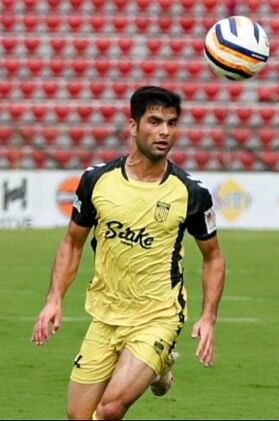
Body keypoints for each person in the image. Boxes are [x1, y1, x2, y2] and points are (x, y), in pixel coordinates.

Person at [31, 86, 226, 420]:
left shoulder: (190, 192)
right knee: (79, 416)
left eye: (171, 123)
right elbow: (72, 243)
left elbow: (214, 258)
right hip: (106, 315)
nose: (165, 131)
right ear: (133, 126)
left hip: (158, 315)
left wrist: (208, 317)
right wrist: (54, 299)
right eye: (154, 121)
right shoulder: (97, 180)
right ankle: (160, 368)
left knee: (108, 410)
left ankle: (155, 357)